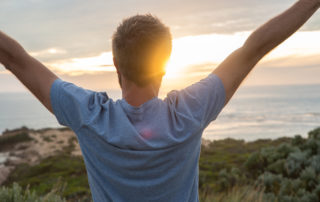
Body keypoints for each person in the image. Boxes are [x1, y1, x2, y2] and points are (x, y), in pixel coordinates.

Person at [0, 0, 319, 201]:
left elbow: (15, 58)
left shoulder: (89, 116)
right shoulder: (190, 114)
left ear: (116, 65)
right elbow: (254, 49)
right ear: (164, 67)